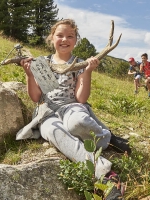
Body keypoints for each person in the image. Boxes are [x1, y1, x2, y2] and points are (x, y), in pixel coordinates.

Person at [16, 19, 128, 199]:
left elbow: (81, 98)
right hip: (47, 112)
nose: (64, 39)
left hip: (72, 106)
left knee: (79, 122)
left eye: (70, 36)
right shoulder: (41, 63)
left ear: (76, 40)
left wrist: (88, 72)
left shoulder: (81, 63)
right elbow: (36, 98)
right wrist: (29, 74)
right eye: (59, 35)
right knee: (54, 131)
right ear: (52, 38)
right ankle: (106, 176)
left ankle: (107, 138)